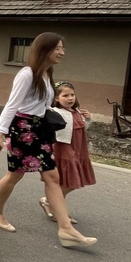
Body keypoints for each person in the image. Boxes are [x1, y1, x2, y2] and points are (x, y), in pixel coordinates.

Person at [0, 32, 97, 249]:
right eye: (57, 48)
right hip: (22, 130)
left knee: (52, 176)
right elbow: (12, 105)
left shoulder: (47, 75)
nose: (62, 52)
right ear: (44, 49)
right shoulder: (27, 74)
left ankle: (66, 229)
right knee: (15, 175)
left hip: (39, 130)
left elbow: (42, 106)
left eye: (62, 48)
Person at [39, 81, 96, 223]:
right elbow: (47, 132)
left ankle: (51, 203)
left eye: (72, 95)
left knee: (70, 181)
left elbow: (80, 130)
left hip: (78, 150)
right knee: (70, 182)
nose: (70, 98)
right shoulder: (55, 113)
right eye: (65, 95)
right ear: (56, 98)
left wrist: (88, 119)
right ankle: (54, 206)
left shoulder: (76, 112)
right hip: (64, 150)